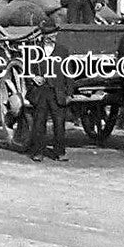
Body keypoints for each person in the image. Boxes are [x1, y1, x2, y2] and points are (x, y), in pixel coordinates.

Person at [25, 19, 73, 162]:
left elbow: (69, 73)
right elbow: (27, 71)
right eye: (49, 34)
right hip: (41, 92)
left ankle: (60, 152)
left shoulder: (63, 51)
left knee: (59, 124)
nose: (52, 37)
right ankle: (38, 152)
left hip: (57, 91)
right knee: (39, 123)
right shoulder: (34, 51)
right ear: (43, 35)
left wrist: (69, 93)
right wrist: (33, 78)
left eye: (54, 34)